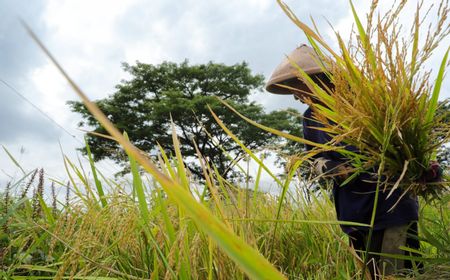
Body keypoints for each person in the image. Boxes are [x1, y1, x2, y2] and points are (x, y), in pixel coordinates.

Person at [265, 44, 441, 278]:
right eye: (294, 90)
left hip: (392, 205)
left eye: (299, 86)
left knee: (396, 272)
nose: (297, 96)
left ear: (321, 79)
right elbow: (314, 158)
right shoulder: (311, 118)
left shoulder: (368, 104)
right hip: (353, 212)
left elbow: (409, 143)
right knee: (372, 273)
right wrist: (332, 168)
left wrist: (425, 170)